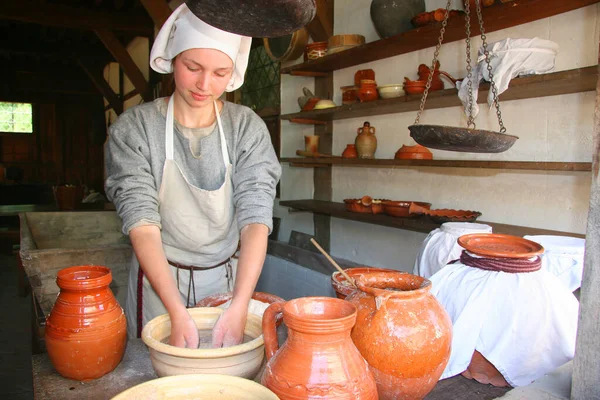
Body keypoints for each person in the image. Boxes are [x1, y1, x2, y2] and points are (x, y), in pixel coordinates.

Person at [104, 4, 281, 349]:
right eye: (192, 67)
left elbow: (256, 219)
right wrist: (174, 310)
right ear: (172, 60)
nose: (204, 85)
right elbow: (141, 221)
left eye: (219, 74)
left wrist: (240, 304)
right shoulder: (136, 129)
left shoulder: (245, 127)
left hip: (228, 281)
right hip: (159, 281)